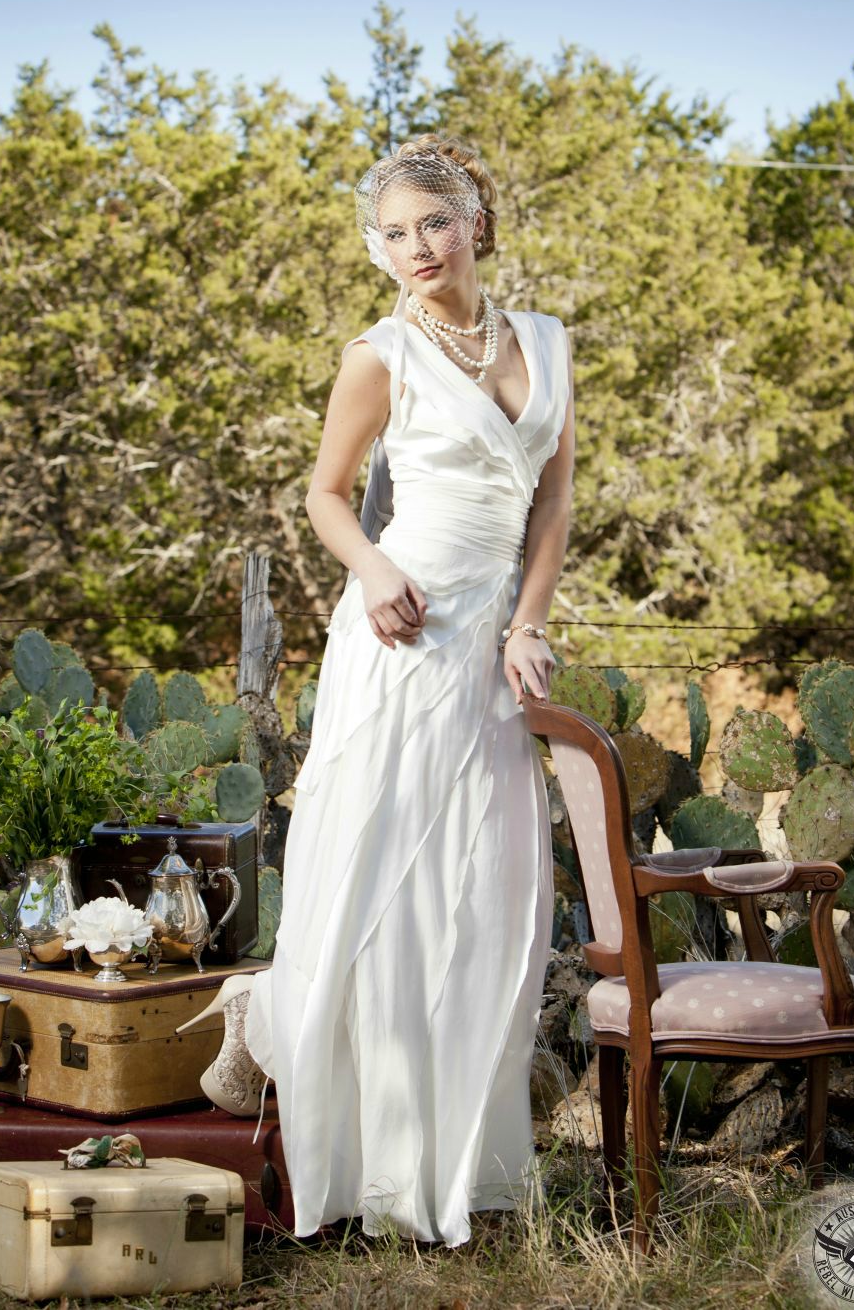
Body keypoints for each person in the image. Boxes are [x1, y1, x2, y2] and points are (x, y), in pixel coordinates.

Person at [178, 133, 575, 1247]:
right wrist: (374, 566)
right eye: (393, 234)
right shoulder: (379, 353)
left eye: (434, 225)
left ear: (477, 222)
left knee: (477, 894)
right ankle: (347, 1140)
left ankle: (453, 1163)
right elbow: (325, 492)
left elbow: (552, 508)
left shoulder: (545, 342)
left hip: (490, 646)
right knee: (374, 877)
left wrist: (529, 623)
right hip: (397, 634)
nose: (415, 249)